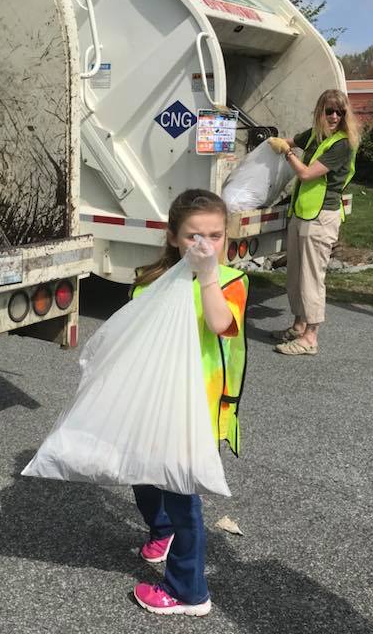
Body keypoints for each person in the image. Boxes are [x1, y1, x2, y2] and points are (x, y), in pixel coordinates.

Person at [129, 189, 248, 616]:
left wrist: (208, 275)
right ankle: (160, 530)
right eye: (194, 235)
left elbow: (220, 323)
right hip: (153, 403)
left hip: (196, 410)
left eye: (215, 236)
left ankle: (188, 591)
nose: (204, 245)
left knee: (183, 499)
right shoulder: (150, 281)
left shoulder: (232, 281)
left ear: (226, 239)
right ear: (173, 236)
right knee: (142, 476)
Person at [267, 89, 361, 355]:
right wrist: (274, 141)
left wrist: (287, 154)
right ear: (320, 110)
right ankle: (299, 326)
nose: (333, 116)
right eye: (328, 110)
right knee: (296, 276)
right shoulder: (315, 135)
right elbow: (290, 141)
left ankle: (310, 337)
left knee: (311, 278)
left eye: (339, 112)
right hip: (302, 215)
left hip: (321, 218)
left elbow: (307, 174)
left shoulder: (343, 143)